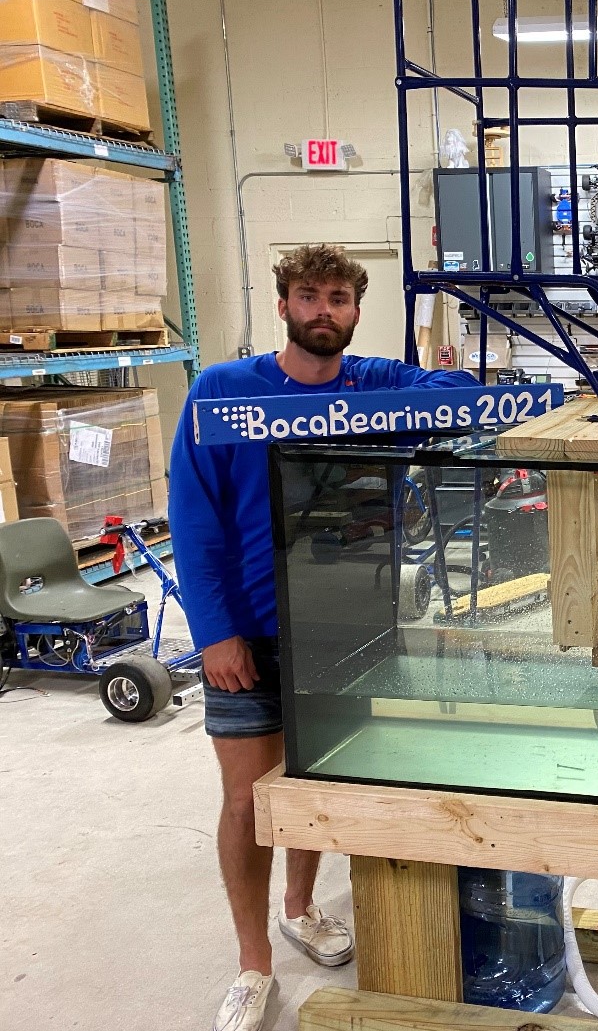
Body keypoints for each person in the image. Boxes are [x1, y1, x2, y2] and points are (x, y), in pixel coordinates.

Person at [169, 245, 478, 1031]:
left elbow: (466, 395)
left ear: (355, 311)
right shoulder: (221, 392)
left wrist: (380, 396)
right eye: (308, 295)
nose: (323, 310)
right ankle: (252, 964)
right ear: (283, 305)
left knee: (316, 784)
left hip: (345, 625)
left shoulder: (373, 384)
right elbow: (195, 523)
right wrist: (215, 633)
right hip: (248, 632)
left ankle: (299, 907)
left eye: (338, 298)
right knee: (247, 799)